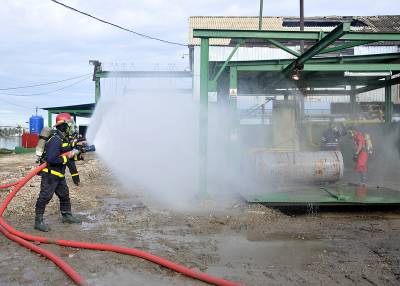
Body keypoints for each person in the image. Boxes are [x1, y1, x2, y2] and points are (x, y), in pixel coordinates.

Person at [34, 113, 82, 232]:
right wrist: (66, 158)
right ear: (63, 125)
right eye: (69, 124)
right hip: (50, 174)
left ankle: (67, 216)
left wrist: (77, 156)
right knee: (45, 196)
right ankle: (38, 221)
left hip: (59, 174)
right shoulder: (55, 139)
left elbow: (67, 154)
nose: (71, 127)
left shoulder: (63, 138)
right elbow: (51, 159)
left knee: (64, 195)